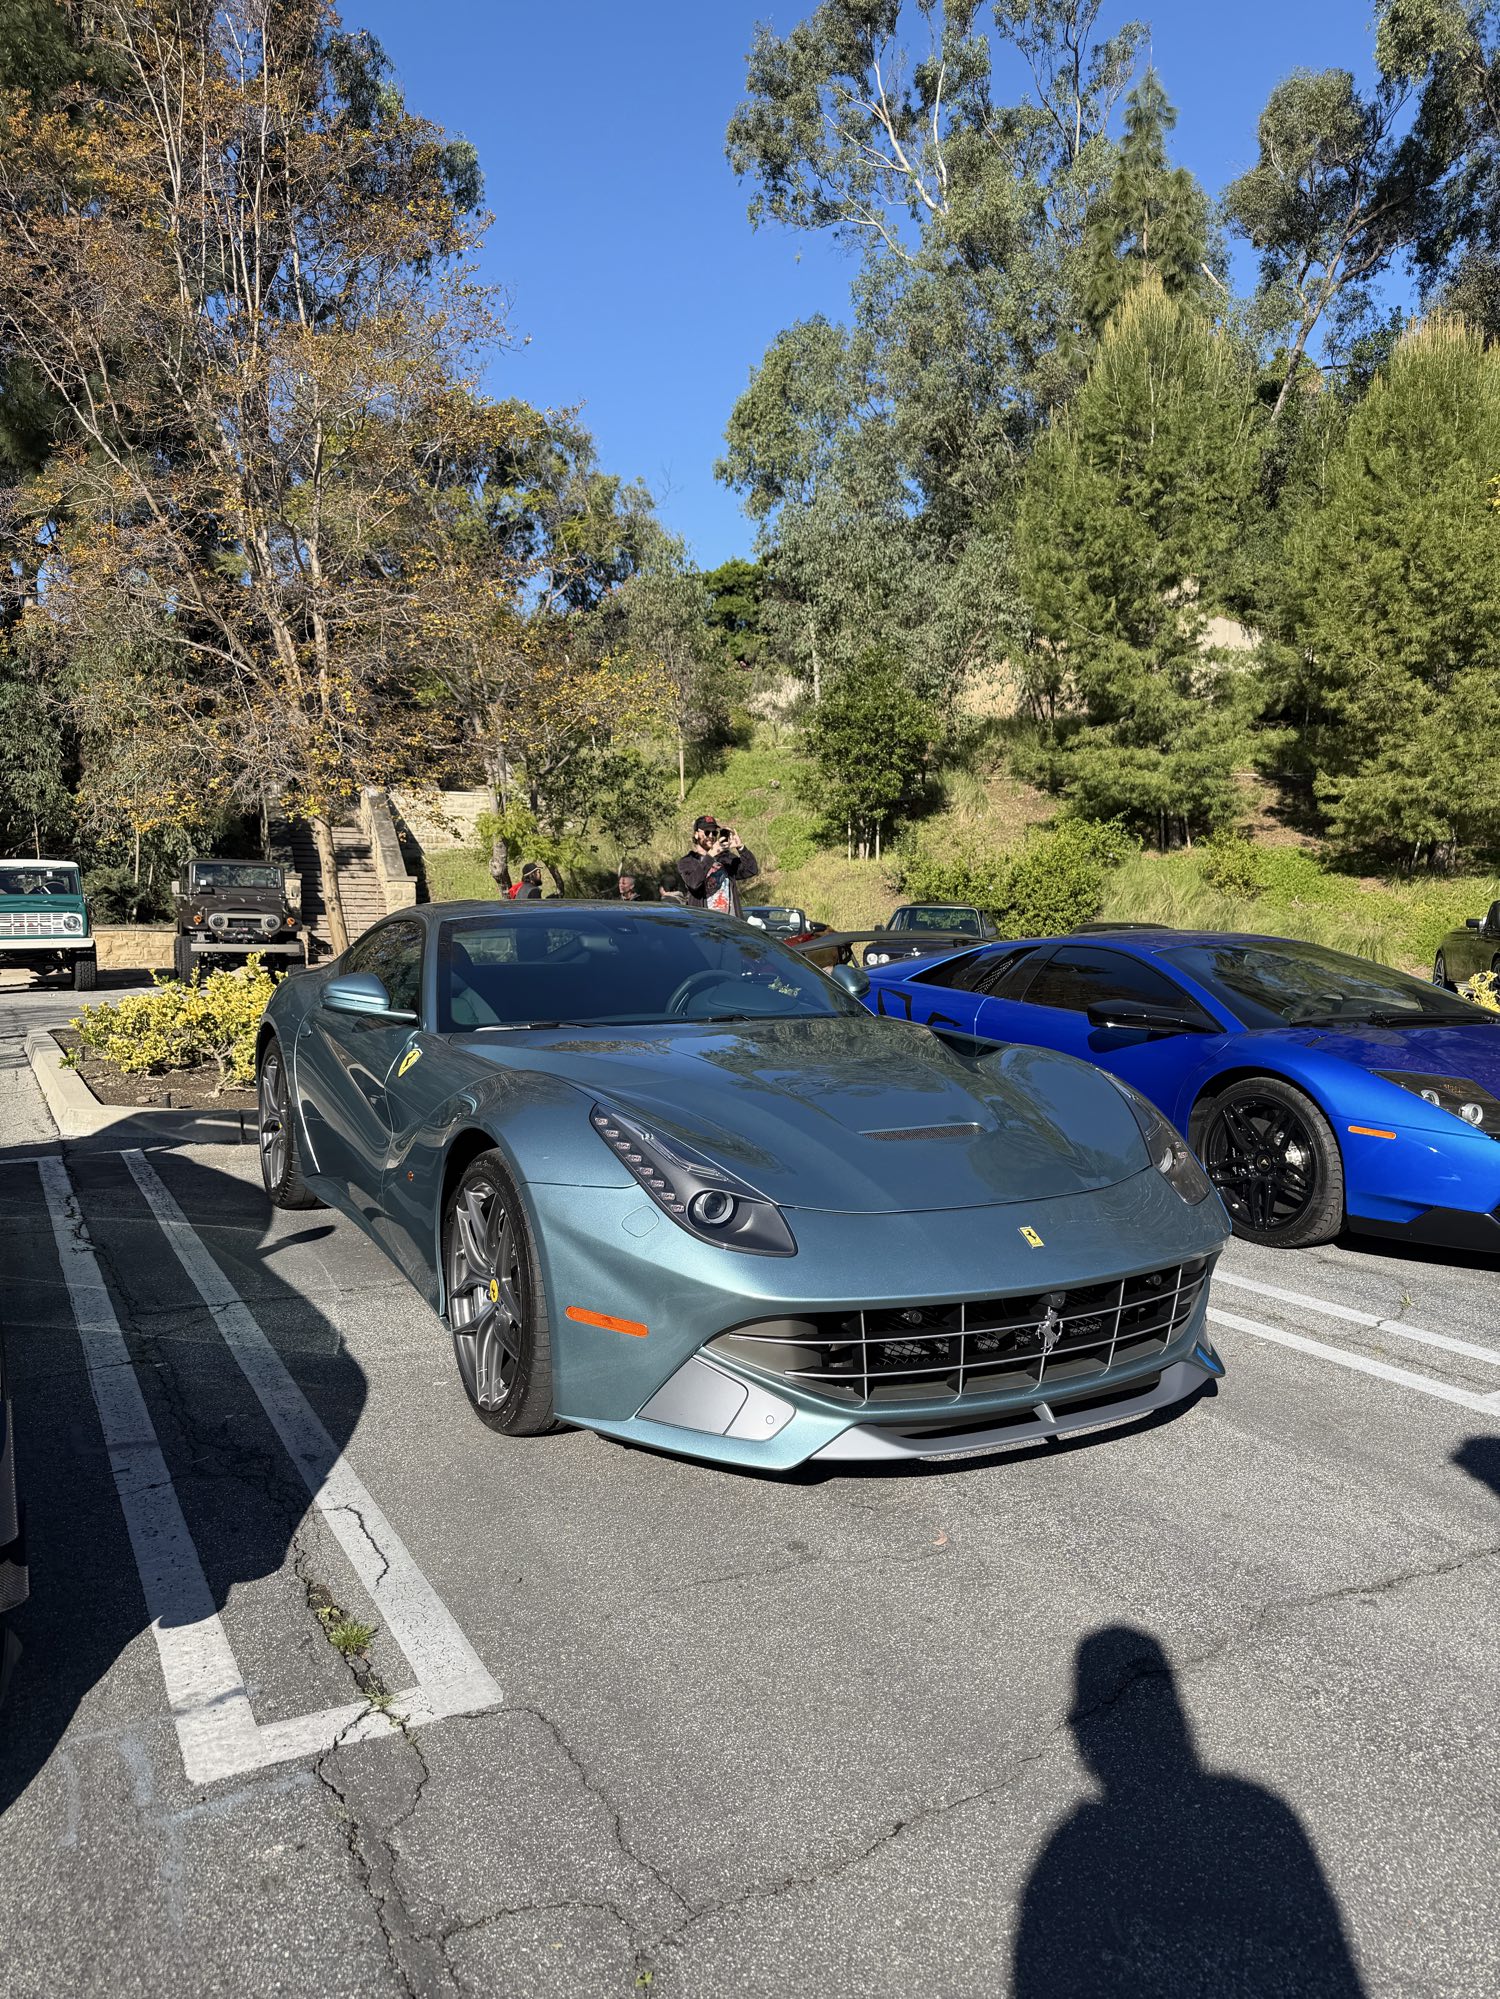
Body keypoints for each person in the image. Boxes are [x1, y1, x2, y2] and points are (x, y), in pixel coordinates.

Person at [676, 814, 757, 917]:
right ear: (696, 834)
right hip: (705, 922)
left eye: (714, 833)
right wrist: (711, 855)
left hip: (730, 921)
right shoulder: (687, 861)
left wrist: (741, 848)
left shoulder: (726, 858)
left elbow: (751, 869)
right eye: (707, 832)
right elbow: (693, 883)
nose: (711, 836)